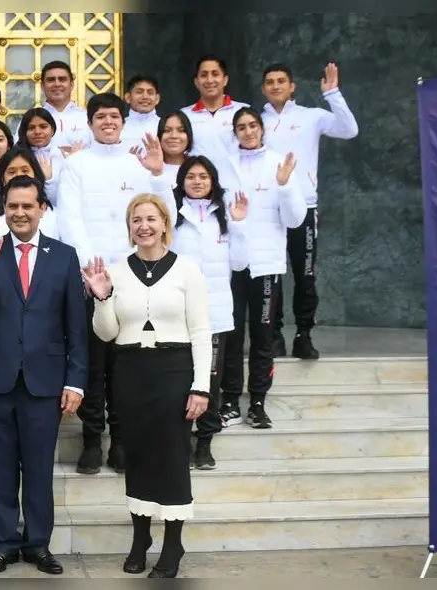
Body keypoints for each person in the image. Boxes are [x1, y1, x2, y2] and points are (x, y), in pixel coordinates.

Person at [0, 176, 87, 576]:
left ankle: (37, 544)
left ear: (41, 209)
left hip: (44, 379)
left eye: (27, 206)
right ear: (4, 209)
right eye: (12, 206)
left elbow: (76, 324)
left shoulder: (64, 256)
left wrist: (75, 379)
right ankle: (3, 544)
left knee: (38, 468)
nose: (19, 213)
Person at [81, 192, 212, 578]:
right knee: (135, 456)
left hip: (174, 371)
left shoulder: (188, 269)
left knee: (171, 457)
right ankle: (141, 539)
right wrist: (102, 298)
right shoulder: (117, 272)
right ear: (129, 227)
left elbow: (202, 332)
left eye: (151, 218)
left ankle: (173, 543)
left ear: (165, 223)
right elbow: (106, 333)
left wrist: (201, 386)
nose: (144, 226)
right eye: (137, 219)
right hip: (131, 371)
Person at [56, 92, 174, 475]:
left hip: (133, 278)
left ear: (123, 123)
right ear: (89, 123)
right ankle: (92, 439)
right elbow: (70, 219)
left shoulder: (139, 164)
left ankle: (121, 440)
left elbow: (161, 217)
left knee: (126, 363)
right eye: (101, 117)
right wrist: (92, 272)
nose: (108, 122)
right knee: (92, 364)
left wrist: (158, 175)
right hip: (88, 278)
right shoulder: (75, 164)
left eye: (114, 117)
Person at [215, 107, 306, 430]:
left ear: (262, 129)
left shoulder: (279, 164)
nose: (248, 131)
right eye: (241, 127)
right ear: (235, 132)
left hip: (267, 265)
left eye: (253, 125)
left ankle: (257, 402)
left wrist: (283, 186)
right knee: (232, 334)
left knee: (262, 336)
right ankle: (228, 401)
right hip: (232, 264)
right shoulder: (224, 166)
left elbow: (295, 220)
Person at [261, 62, 359, 359]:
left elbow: (349, 130)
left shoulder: (311, 117)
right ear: (263, 88)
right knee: (271, 275)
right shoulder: (255, 121)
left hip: (304, 208)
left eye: (281, 81)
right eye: (269, 82)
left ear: (292, 87)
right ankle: (273, 335)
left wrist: (333, 94)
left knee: (305, 275)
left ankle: (304, 335)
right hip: (266, 212)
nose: (276, 86)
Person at [169, 156, 250, 469]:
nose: (198, 182)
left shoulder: (225, 216)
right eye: (191, 176)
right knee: (179, 379)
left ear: (213, 181)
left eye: (204, 177)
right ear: (182, 181)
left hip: (214, 314)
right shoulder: (174, 215)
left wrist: (240, 224)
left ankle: (204, 443)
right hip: (177, 313)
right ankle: (180, 441)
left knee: (210, 380)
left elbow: (240, 263)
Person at [181, 55, 250, 162]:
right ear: (196, 82)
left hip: (236, 177)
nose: (209, 80)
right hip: (198, 178)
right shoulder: (184, 116)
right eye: (204, 75)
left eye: (215, 74)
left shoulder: (243, 111)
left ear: (225, 80)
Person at [0, 145, 61, 239]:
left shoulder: (54, 215)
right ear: (2, 179)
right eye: (12, 172)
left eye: (25, 171)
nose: (19, 176)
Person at [15, 107, 66, 205]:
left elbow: (65, 197)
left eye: (43, 127)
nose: (37, 132)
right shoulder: (16, 158)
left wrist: (48, 180)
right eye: (31, 128)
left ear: (52, 130)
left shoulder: (64, 157)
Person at [39, 60, 92, 150]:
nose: (57, 84)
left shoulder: (87, 117)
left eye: (62, 79)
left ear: (71, 85)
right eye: (51, 80)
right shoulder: (32, 119)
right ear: (42, 86)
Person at [120, 75, 162, 149]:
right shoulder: (118, 127)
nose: (145, 97)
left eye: (150, 92)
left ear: (157, 99)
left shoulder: (165, 127)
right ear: (128, 97)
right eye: (139, 92)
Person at [157, 111, 194, 185]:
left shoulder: (198, 167)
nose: (174, 136)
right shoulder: (147, 167)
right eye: (167, 130)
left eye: (181, 131)